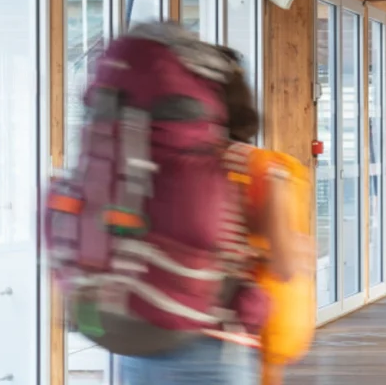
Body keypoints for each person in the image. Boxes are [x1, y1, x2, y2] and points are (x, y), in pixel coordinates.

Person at [116, 47, 313, 385]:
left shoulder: (141, 160)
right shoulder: (253, 165)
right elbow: (284, 266)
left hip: (138, 340)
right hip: (213, 347)